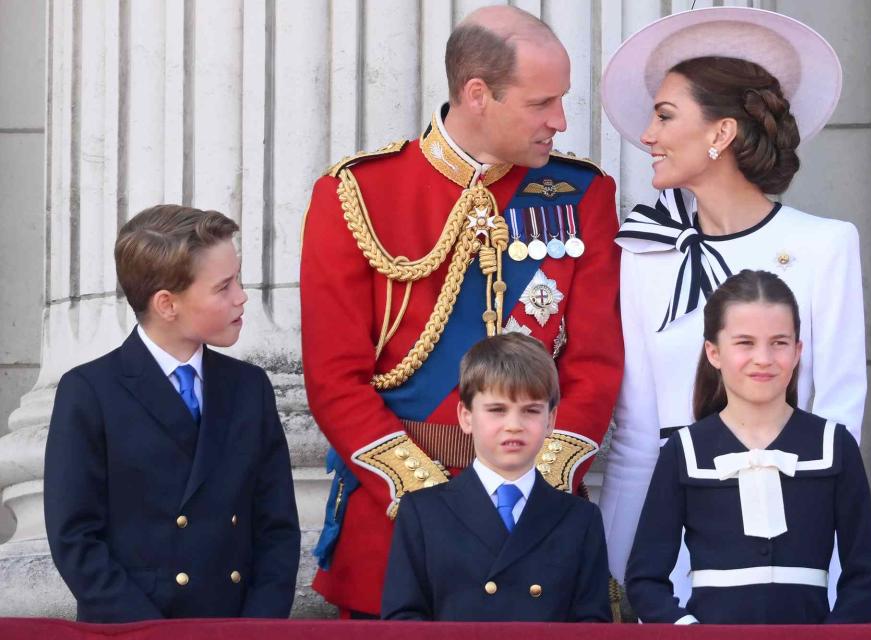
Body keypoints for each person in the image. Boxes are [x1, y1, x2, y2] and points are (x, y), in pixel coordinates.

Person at [301, 5, 623, 617]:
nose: (559, 120)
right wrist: (435, 505)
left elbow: (596, 364)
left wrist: (537, 485)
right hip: (398, 529)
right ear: (478, 94)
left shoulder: (583, 195)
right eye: (541, 103)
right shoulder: (357, 193)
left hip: (538, 523)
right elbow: (333, 381)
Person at [597, 6, 866, 605]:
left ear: (721, 134)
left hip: (787, 547)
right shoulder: (645, 252)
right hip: (670, 546)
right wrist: (620, 565)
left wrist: (831, 574)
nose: (647, 135)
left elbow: (840, 420)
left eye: (665, 116)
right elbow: (638, 434)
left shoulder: (825, 246)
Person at [44, 205, 300, 622]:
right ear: (167, 304)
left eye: (238, 279)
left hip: (235, 628)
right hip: (133, 630)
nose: (242, 296)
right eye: (223, 286)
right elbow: (76, 539)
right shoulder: (90, 392)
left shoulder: (249, 388)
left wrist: (257, 629)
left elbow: (277, 529)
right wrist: (148, 633)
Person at [625, 270, 871, 624]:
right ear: (714, 352)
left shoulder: (834, 445)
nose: (764, 358)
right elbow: (644, 581)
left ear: (797, 350)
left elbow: (865, 576)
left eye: (779, 342)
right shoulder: (683, 450)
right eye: (745, 343)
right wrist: (689, 631)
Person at [381, 333, 611, 622]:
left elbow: (591, 627)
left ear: (551, 420)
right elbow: (404, 623)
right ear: (466, 417)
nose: (513, 425)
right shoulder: (423, 513)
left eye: (530, 411)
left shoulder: (580, 519)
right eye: (497, 410)